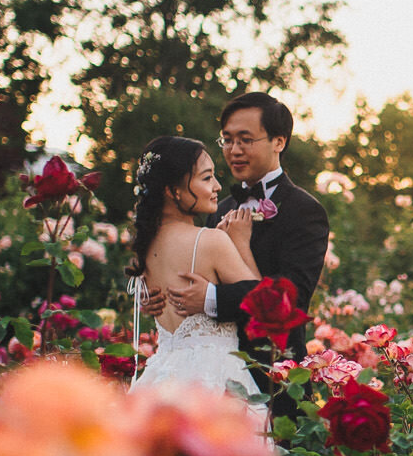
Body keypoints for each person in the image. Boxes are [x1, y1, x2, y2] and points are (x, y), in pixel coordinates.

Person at [139, 92, 332, 405]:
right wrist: (159, 296)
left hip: (274, 375)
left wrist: (211, 298)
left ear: (278, 141)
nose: (234, 150)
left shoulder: (304, 210)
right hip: (211, 377)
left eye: (245, 139)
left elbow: (291, 300)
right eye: (227, 140)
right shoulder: (218, 206)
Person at [126, 135, 263, 398]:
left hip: (161, 379)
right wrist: (241, 243)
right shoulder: (210, 240)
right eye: (207, 177)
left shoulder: (146, 247)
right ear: (172, 190)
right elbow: (264, 305)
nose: (218, 186)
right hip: (213, 379)